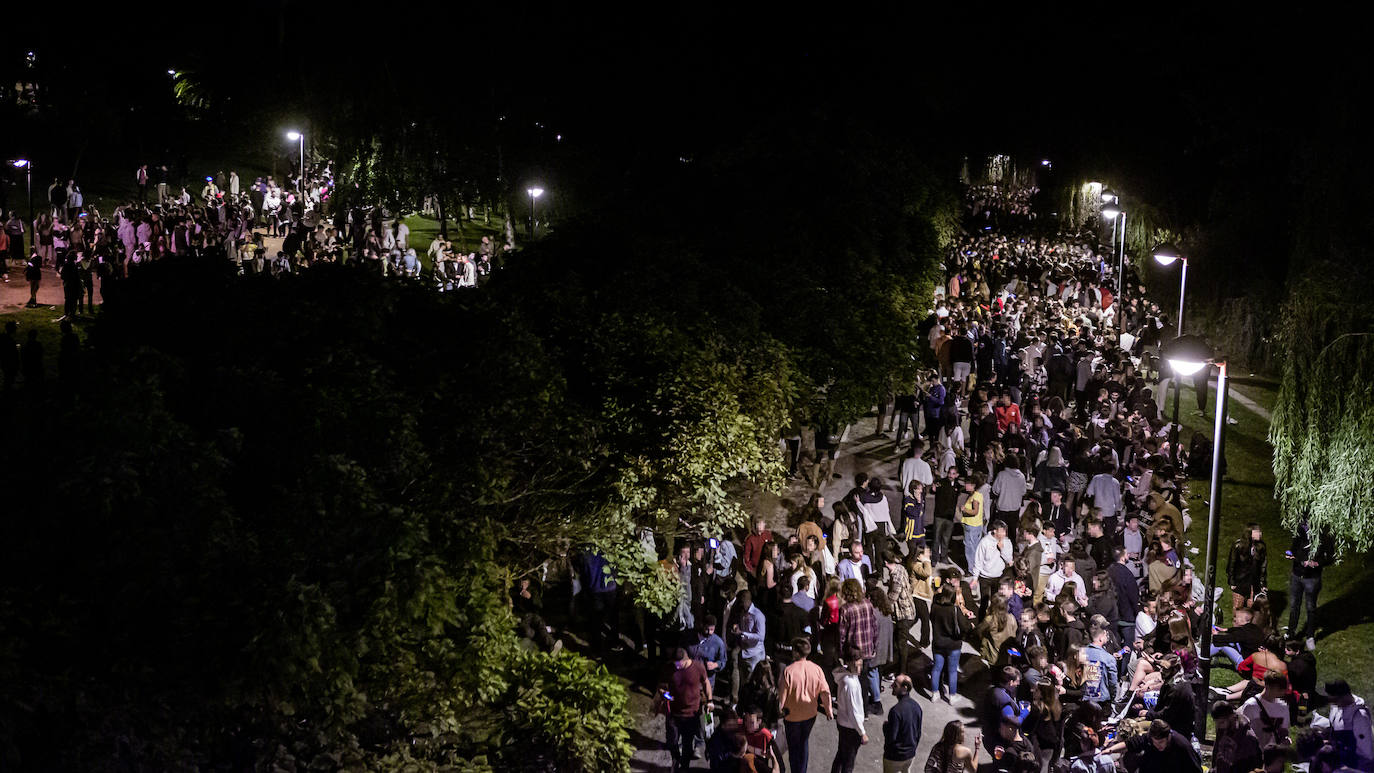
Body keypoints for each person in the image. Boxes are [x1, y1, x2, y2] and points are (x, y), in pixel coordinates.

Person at [657, 646, 713, 772]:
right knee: (672, 741)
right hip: (674, 713)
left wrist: (710, 701)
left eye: (678, 664)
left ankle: (685, 767)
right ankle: (676, 759)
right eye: (674, 664)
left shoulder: (698, 667)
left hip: (691, 714)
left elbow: (706, 682)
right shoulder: (669, 668)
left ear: (685, 660)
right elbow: (660, 687)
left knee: (688, 743)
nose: (676, 666)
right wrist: (665, 695)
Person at [779, 637, 831, 773]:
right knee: (804, 743)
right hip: (810, 714)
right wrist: (828, 710)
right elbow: (825, 692)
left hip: (792, 716)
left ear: (796, 652)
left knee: (793, 746)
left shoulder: (788, 671)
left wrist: (778, 712)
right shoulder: (817, 669)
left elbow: (782, 698)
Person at [837, 579, 881, 715]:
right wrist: (874, 644)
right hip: (867, 648)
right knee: (864, 679)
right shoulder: (868, 604)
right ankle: (865, 710)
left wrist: (841, 651)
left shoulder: (846, 609)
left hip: (853, 651)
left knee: (854, 681)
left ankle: (857, 710)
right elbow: (874, 626)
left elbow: (842, 633)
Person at [1287, 518, 1331, 650]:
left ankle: (1310, 635)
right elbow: (1293, 548)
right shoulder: (1300, 532)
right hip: (1297, 575)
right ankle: (1290, 632)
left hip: (1312, 578)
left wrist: (1316, 563)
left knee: (1311, 607)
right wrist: (1293, 556)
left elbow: (1330, 556)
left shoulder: (1324, 535)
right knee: (1294, 605)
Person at [930, 583, 973, 703]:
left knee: (936, 668)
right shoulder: (954, 610)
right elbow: (964, 626)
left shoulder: (935, 607)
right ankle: (952, 696)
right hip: (953, 645)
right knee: (952, 670)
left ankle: (934, 694)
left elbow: (931, 619)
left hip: (938, 643)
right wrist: (971, 625)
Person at [1112, 719, 1202, 773]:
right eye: (1155, 742)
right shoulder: (1150, 738)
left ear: (1168, 737)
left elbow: (1195, 769)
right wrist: (1110, 750)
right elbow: (1131, 743)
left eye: (1161, 742)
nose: (1158, 745)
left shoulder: (1182, 745)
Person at [1322, 678, 1373, 771]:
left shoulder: (1360, 717)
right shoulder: (1336, 707)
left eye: (1334, 700)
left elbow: (1366, 754)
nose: (1333, 704)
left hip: (1354, 766)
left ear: (1343, 697)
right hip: (1339, 760)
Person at [832, 643, 869, 773]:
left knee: (841, 755)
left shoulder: (844, 675)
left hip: (842, 722)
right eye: (857, 664)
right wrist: (862, 732)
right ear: (850, 662)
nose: (860, 668)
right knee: (848, 762)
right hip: (851, 727)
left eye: (861, 664)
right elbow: (854, 711)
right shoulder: (851, 684)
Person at [1240, 671, 1293, 749]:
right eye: (1279, 689)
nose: (1283, 691)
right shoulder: (1251, 706)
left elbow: (1284, 731)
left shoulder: (1283, 706)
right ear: (1267, 686)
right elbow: (1242, 732)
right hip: (1254, 752)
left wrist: (1285, 740)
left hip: (1274, 753)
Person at [882, 674, 922, 773]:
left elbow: (891, 737)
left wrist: (886, 727)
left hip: (895, 756)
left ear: (904, 688)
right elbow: (918, 732)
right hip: (910, 754)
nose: (892, 687)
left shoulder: (896, 711)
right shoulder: (917, 707)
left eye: (895, 685)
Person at [972, 520, 1012, 619]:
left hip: (999, 577)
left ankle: (995, 621)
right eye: (1001, 531)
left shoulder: (1007, 542)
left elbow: (1009, 561)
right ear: (995, 531)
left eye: (1005, 531)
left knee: (997, 602)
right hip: (985, 577)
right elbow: (978, 560)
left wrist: (1002, 549)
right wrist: (975, 578)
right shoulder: (985, 542)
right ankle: (981, 623)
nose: (1004, 534)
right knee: (984, 602)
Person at [1227, 522, 1269, 613]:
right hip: (1240, 581)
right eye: (1257, 532)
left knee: (1251, 610)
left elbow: (1263, 566)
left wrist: (1263, 583)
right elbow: (1232, 564)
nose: (1260, 534)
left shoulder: (1261, 546)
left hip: (1254, 582)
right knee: (1238, 608)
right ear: (1250, 533)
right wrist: (1232, 581)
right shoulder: (1238, 545)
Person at [1211, 701, 1263, 773]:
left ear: (1231, 717)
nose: (1218, 726)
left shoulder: (1248, 737)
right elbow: (1216, 751)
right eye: (1216, 723)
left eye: (1221, 722)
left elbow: (1255, 765)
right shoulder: (1223, 727)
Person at [741, 705, 786, 772]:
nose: (747, 725)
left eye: (751, 722)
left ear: (759, 721)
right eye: (746, 721)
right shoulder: (741, 729)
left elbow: (778, 759)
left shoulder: (765, 735)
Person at [961, 473, 987, 574]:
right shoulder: (977, 495)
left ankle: (971, 569)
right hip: (976, 526)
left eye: (968, 484)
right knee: (975, 548)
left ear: (973, 485)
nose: (966, 486)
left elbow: (975, 511)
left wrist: (964, 509)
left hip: (972, 526)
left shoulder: (975, 497)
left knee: (970, 549)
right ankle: (976, 568)